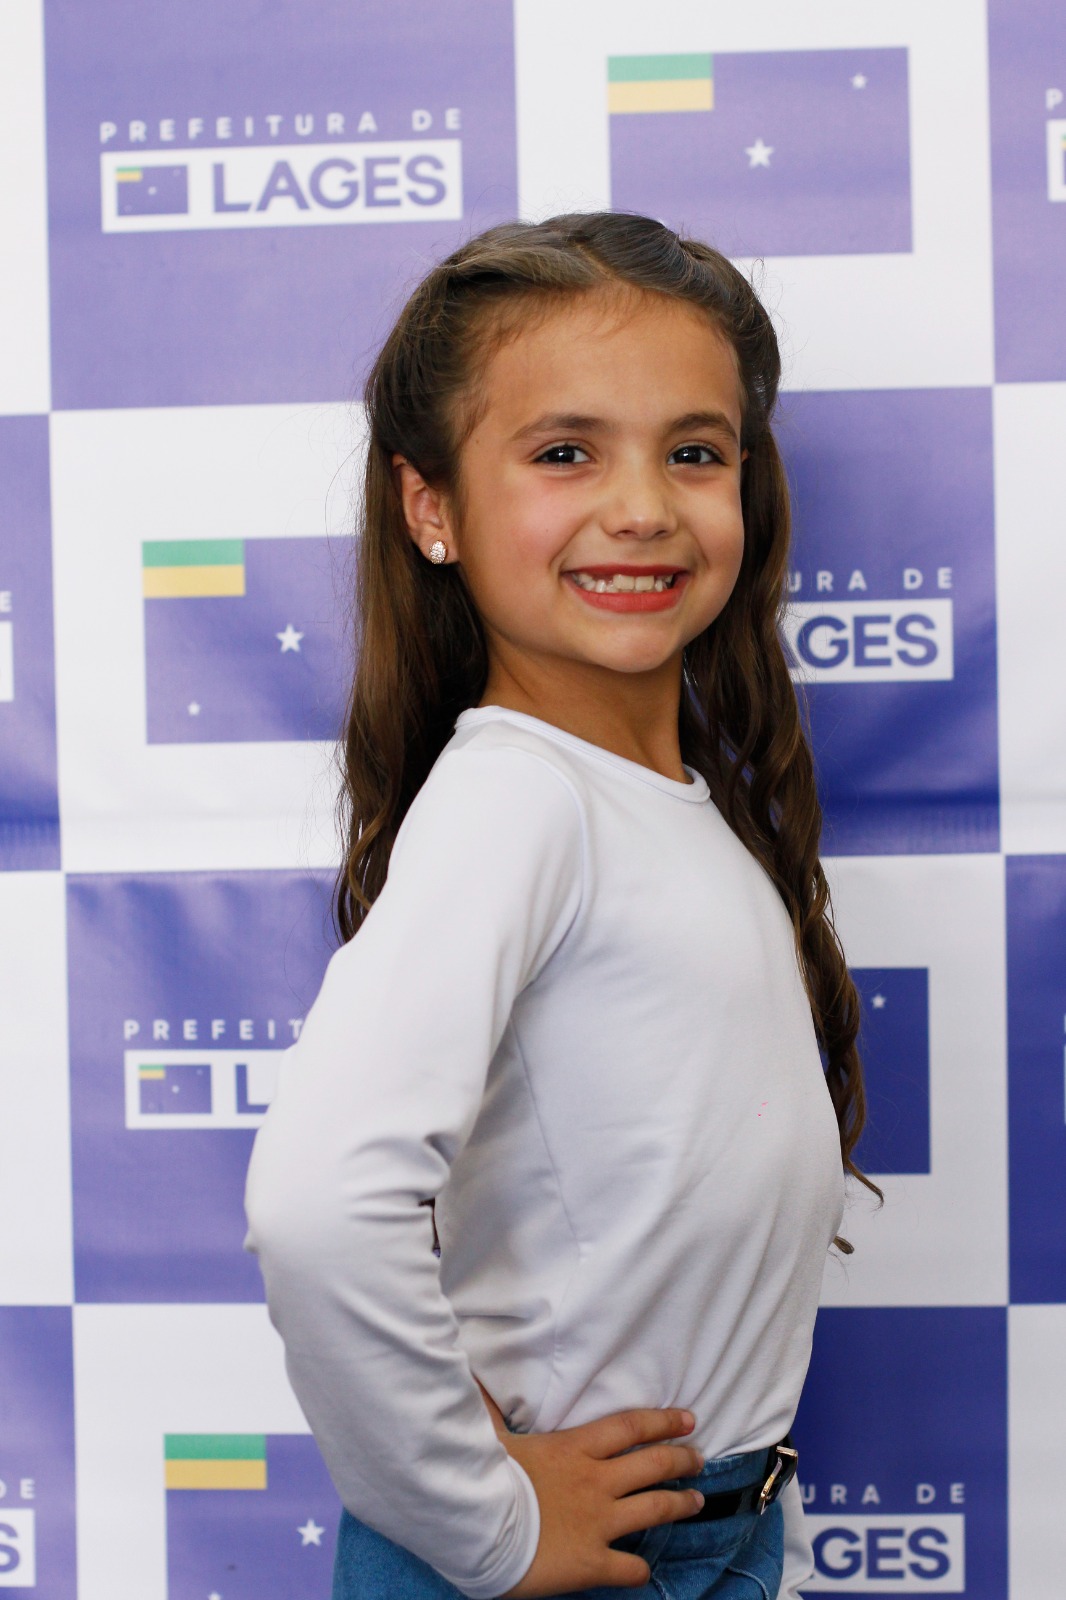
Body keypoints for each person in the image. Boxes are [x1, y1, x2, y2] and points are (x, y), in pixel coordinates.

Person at [243, 210, 879, 1600]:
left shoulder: (662, 806)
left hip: (708, 1526)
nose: (642, 506)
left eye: (693, 452)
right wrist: (482, 1520)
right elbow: (319, 1202)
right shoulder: (516, 801)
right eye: (563, 453)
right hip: (588, 1556)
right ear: (432, 508)